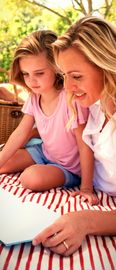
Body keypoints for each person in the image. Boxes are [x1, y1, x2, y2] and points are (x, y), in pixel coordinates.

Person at [32, 15, 116, 255]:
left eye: (76, 76)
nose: (67, 87)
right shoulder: (96, 106)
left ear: (108, 67)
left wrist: (86, 221)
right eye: (64, 75)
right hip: (88, 195)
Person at [0, 29, 97, 200]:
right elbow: (20, 132)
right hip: (44, 153)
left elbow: (85, 144)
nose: (31, 81)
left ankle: (54, 174)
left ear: (57, 68)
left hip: (69, 167)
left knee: (30, 178)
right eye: (25, 74)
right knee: (4, 162)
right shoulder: (34, 97)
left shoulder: (71, 99)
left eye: (39, 73)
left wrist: (87, 188)